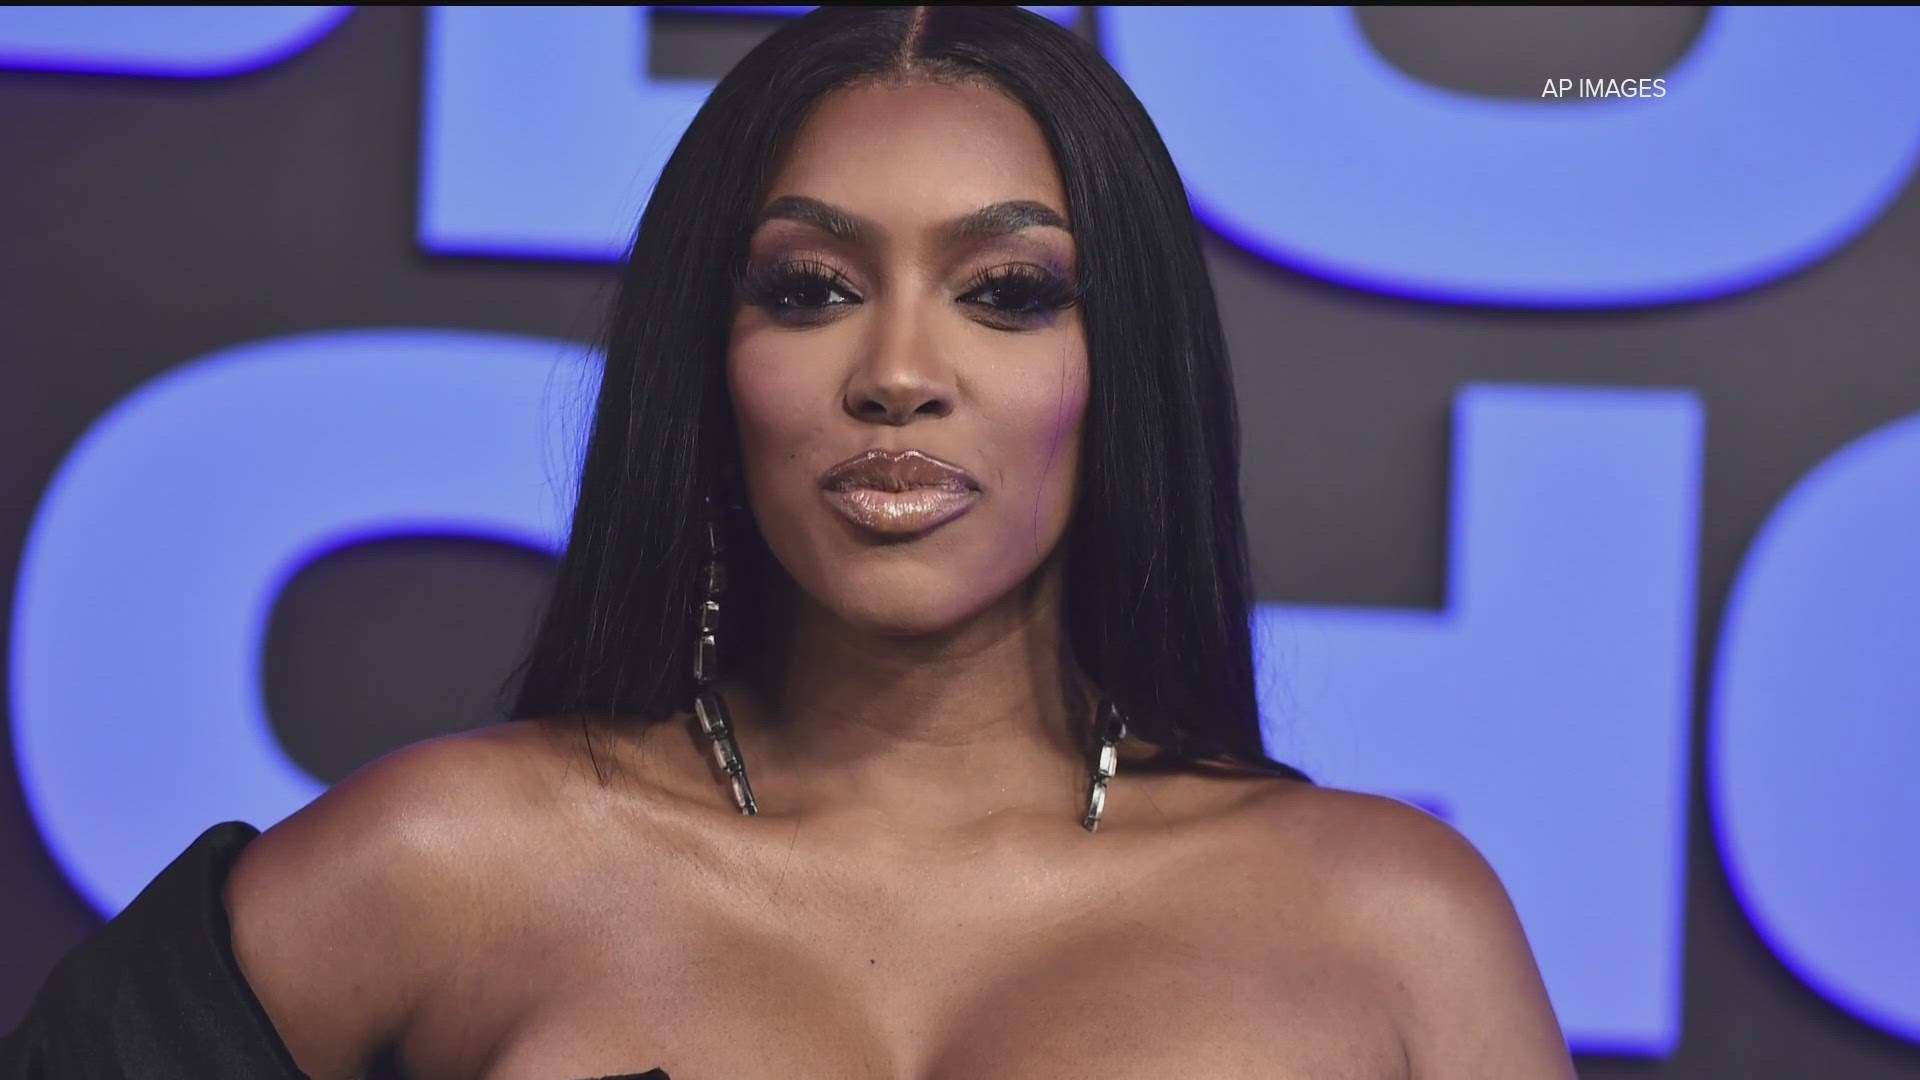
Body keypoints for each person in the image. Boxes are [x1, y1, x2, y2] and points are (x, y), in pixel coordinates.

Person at [3, 7, 1577, 1079]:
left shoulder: (1392, 924)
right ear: (714, 362)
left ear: (1126, 372)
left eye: (1009, 294)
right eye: (811, 289)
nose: (897, 371)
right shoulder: (449, 863)